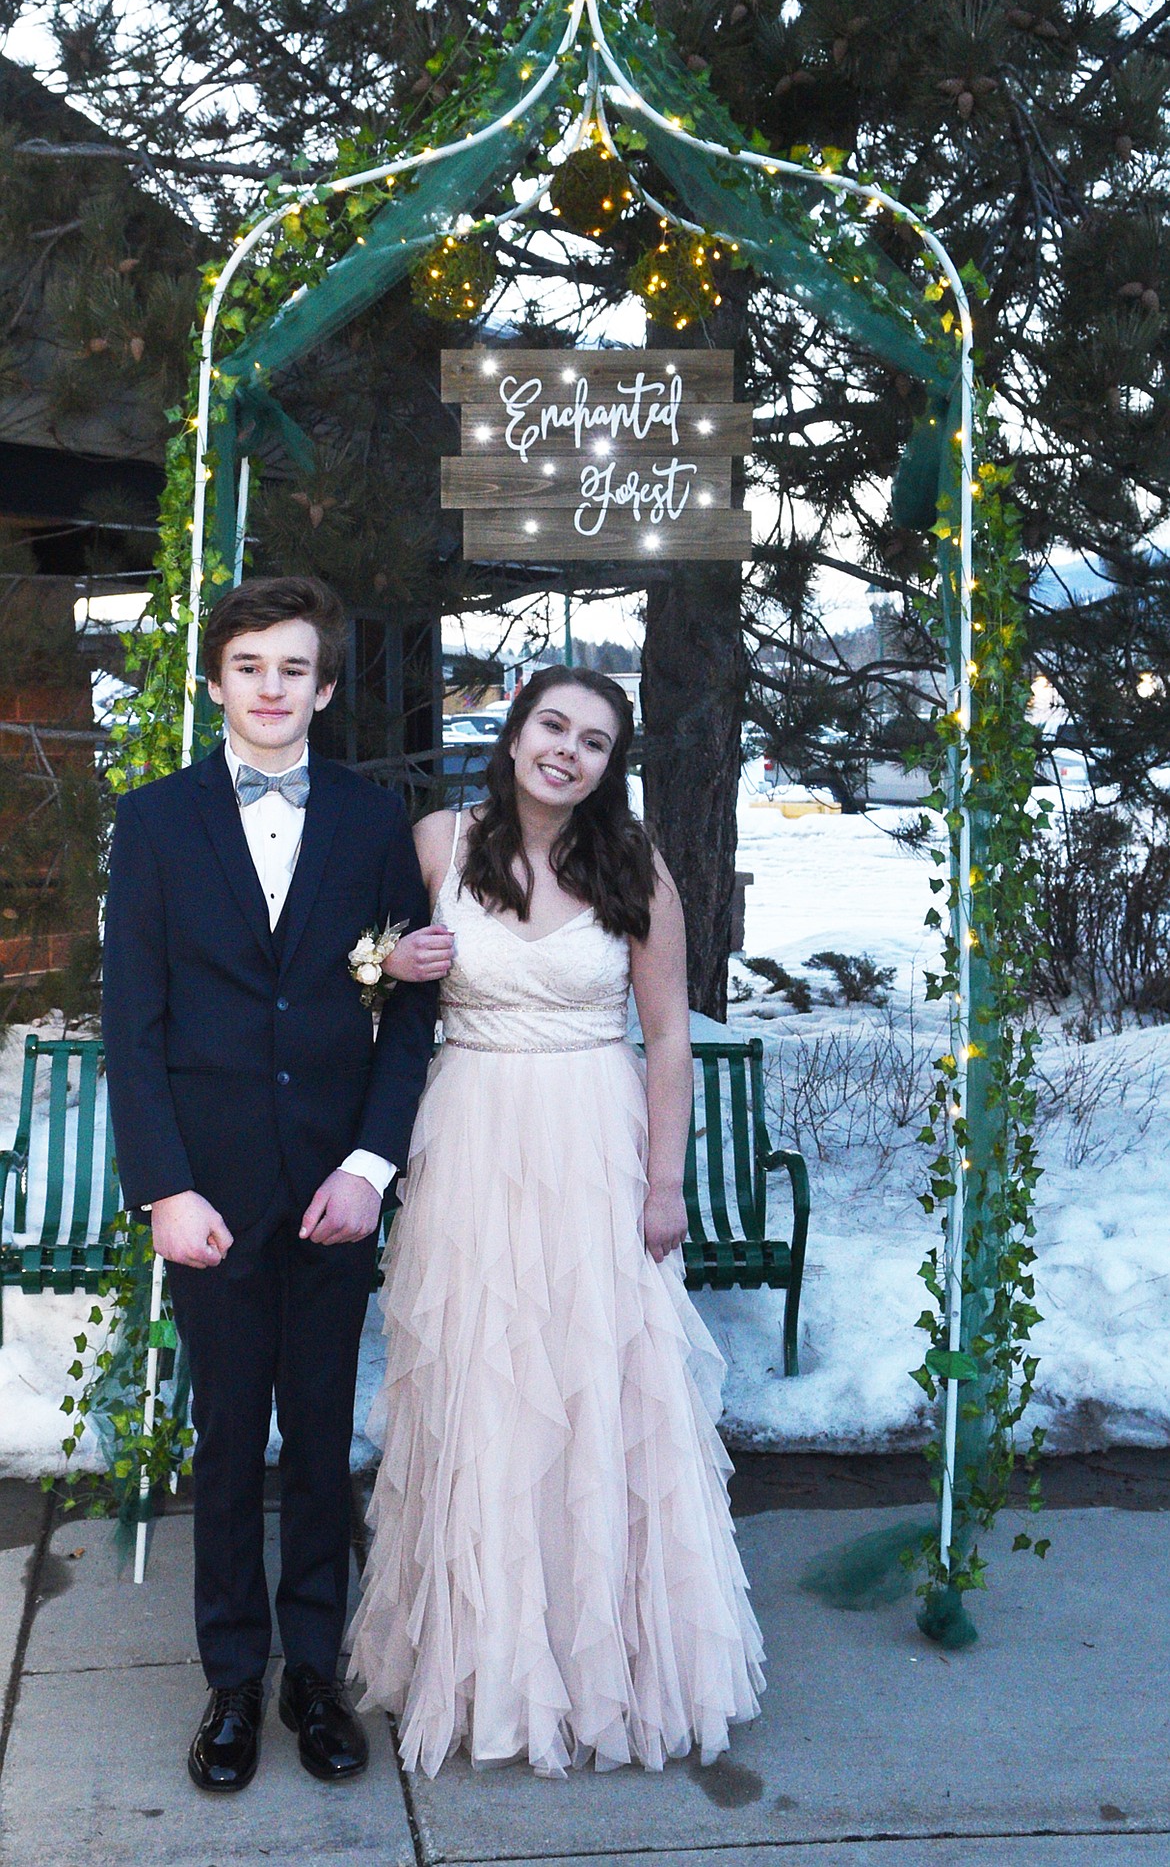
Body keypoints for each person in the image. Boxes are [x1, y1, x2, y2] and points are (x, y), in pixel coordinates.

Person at [348, 665, 764, 1778]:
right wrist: (383, 963)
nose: (567, 751)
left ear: (607, 763)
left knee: (597, 1387)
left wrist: (663, 1180)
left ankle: (608, 1670)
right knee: (483, 1386)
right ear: (517, 731)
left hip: (592, 1136)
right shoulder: (442, 843)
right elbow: (350, 968)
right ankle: (486, 1658)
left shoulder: (633, 865)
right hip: (473, 1133)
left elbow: (669, 1034)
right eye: (551, 726)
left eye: (592, 740)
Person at [102, 575, 437, 1793]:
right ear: (216, 680)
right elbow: (131, 1026)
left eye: (295, 668)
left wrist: (370, 1165)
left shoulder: (370, 819)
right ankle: (232, 1681)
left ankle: (314, 1672)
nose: (272, 687)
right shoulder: (153, 822)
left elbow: (406, 1009)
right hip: (214, 1190)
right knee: (231, 1434)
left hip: (335, 1189)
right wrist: (165, 1189)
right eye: (250, 665)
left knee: (318, 1441)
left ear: (326, 688)